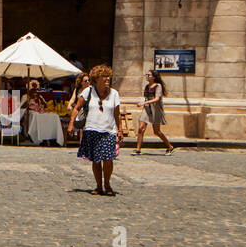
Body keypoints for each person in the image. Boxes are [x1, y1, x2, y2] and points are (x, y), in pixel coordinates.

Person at [74, 64, 123, 196]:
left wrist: (119, 130)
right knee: (96, 160)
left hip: (109, 130)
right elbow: (77, 107)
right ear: (96, 79)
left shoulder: (114, 94)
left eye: (108, 76)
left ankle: (107, 184)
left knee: (108, 159)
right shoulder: (88, 92)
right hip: (92, 129)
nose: (107, 79)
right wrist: (71, 124)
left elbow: (117, 114)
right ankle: (98, 186)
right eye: (104, 76)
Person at [134, 69, 174, 155]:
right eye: (146, 75)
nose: (147, 76)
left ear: (154, 77)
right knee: (141, 128)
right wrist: (145, 104)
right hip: (147, 109)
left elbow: (157, 99)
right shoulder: (147, 86)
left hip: (155, 109)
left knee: (156, 131)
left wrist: (144, 102)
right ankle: (138, 149)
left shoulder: (158, 86)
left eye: (149, 75)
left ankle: (169, 146)